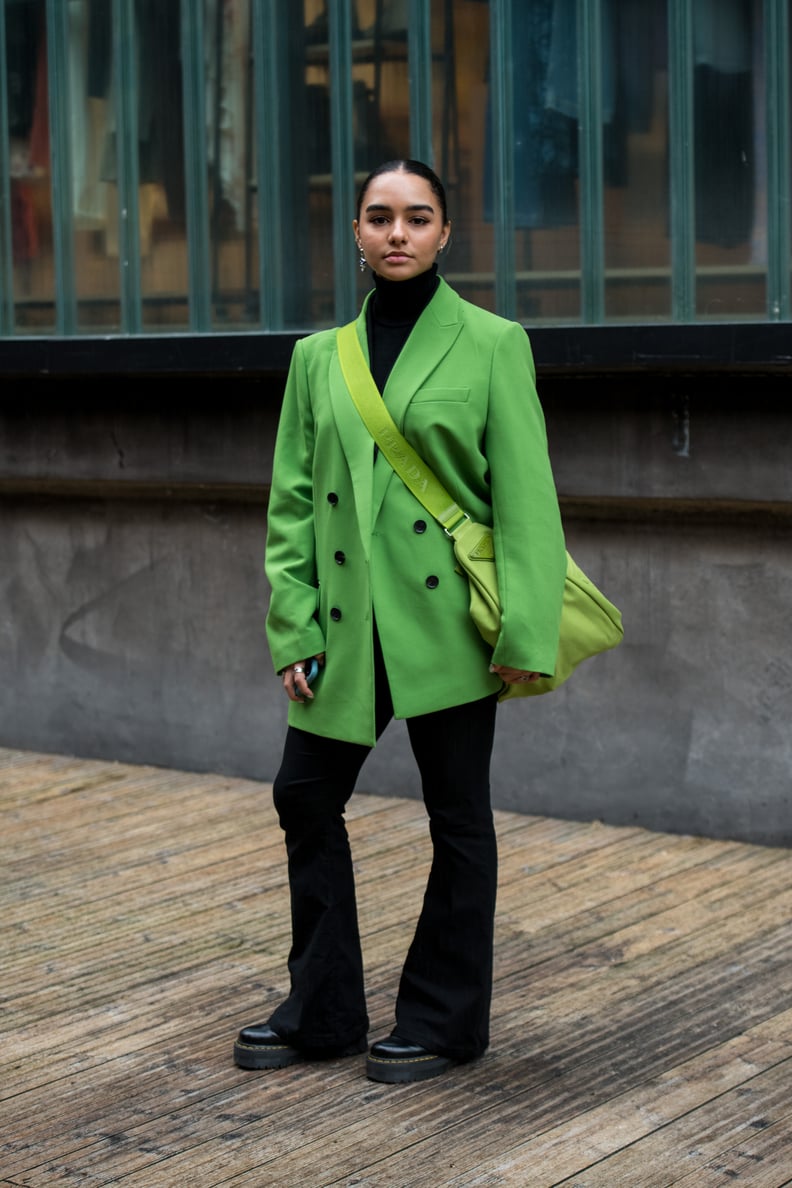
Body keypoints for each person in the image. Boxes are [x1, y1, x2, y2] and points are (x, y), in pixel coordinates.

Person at [233, 159, 566, 1084]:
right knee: (304, 793)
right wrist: (292, 623)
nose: (397, 234)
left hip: (451, 627)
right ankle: (325, 1008)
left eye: (417, 218)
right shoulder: (316, 357)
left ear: (445, 233)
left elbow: (528, 504)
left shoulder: (495, 343)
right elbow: (292, 499)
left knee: (456, 817)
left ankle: (444, 1020)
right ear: (354, 230)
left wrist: (524, 636)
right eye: (379, 217)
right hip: (343, 626)